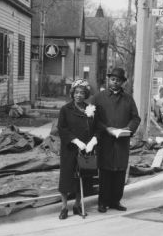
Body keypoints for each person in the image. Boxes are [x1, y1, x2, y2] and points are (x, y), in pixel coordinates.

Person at [91, 67, 141, 212]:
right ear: (109, 80)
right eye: (113, 79)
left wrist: (128, 129)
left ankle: (115, 201)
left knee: (119, 172)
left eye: (118, 80)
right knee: (105, 172)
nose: (115, 82)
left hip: (121, 142)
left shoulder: (128, 99)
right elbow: (93, 118)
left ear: (122, 82)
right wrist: (107, 128)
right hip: (105, 141)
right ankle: (103, 202)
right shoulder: (98, 98)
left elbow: (136, 118)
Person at [56, 79, 98, 219]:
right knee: (66, 178)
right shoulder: (66, 109)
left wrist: (93, 141)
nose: (79, 95)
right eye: (76, 92)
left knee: (83, 177)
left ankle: (77, 205)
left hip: (85, 149)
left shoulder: (90, 109)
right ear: (72, 93)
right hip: (70, 149)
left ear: (85, 94)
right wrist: (75, 141)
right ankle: (64, 207)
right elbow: (62, 128)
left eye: (82, 92)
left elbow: (96, 128)